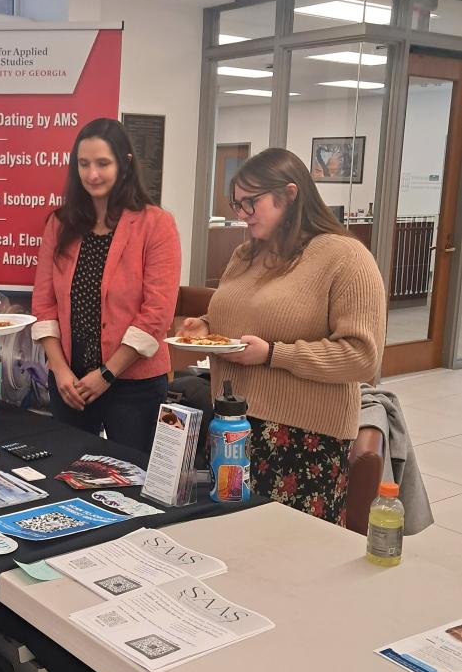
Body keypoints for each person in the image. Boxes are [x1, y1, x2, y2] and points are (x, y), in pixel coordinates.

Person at [179, 147, 386, 526]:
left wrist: (275, 354)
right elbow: (237, 312)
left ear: (290, 195)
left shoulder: (345, 257)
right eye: (236, 204)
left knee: (286, 554)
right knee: (231, 538)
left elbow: (362, 357)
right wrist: (206, 326)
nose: (242, 215)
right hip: (234, 426)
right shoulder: (247, 254)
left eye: (251, 203)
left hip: (302, 439)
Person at [31, 117, 180, 454]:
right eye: (84, 164)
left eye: (102, 163)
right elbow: (43, 305)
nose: (92, 174)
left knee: (132, 487)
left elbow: (156, 314)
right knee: (65, 476)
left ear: (125, 163)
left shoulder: (156, 224)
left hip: (133, 386)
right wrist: (60, 371)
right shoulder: (59, 224)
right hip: (70, 385)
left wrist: (106, 375)